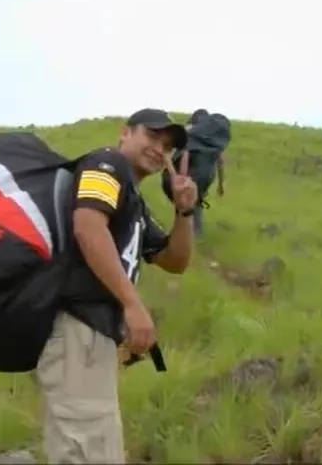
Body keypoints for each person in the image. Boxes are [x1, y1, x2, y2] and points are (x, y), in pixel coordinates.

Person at [35, 108, 199, 464]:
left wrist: (184, 211)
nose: (160, 149)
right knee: (87, 453)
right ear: (125, 133)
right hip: (79, 329)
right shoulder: (106, 165)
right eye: (152, 137)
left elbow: (175, 261)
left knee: (94, 450)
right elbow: (88, 225)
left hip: (93, 338)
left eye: (168, 146)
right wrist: (132, 303)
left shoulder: (134, 204)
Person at [161, 108, 231, 237]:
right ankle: (193, 232)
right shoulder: (212, 138)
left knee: (186, 202)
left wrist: (176, 176)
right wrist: (221, 183)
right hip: (206, 176)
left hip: (190, 174)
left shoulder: (191, 134)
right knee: (194, 202)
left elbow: (184, 154)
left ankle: (187, 233)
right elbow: (220, 161)